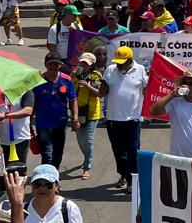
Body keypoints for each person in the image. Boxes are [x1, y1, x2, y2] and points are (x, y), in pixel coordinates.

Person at [101, 46, 149, 192]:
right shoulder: (110, 69)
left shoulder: (140, 69)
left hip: (133, 118)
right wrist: (100, 85)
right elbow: (103, 91)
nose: (119, 64)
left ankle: (132, 180)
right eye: (117, 61)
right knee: (119, 152)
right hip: (113, 118)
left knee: (133, 151)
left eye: (122, 62)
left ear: (130, 60)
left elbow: (147, 90)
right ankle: (123, 174)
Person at [148, 68, 192, 161]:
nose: (187, 86)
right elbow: (153, 111)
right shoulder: (174, 102)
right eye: (185, 83)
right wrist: (172, 94)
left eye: (191, 83)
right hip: (178, 159)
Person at [30, 55, 77, 170]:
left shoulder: (66, 79)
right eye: (50, 64)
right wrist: (29, 121)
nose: (53, 67)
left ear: (60, 65)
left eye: (56, 64)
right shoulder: (38, 81)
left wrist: (75, 119)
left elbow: (73, 100)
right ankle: (46, 181)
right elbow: (33, 102)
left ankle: (53, 179)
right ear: (45, 65)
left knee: (58, 154)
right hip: (43, 124)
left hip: (60, 123)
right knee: (47, 154)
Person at [72, 53, 103, 181]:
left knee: (88, 139)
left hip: (92, 112)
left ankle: (87, 166)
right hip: (78, 112)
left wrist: (86, 84)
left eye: (86, 64)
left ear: (92, 66)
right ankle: (86, 156)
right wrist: (72, 76)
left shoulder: (96, 75)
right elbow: (70, 90)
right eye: (82, 63)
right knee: (80, 139)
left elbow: (98, 94)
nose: (83, 66)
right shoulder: (74, 74)